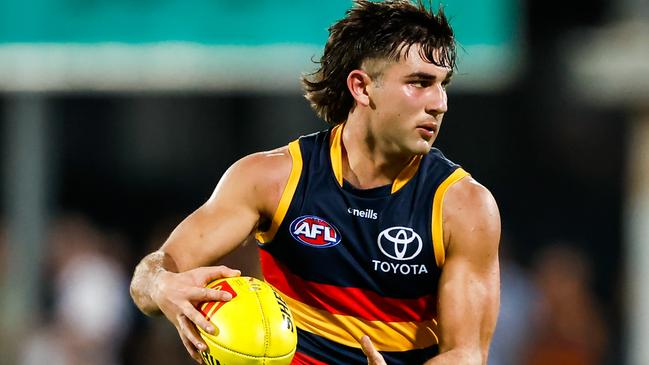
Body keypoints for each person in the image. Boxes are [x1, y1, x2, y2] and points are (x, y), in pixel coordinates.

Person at [129, 1, 501, 364]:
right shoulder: (271, 179)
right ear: (361, 87)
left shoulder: (462, 206)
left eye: (442, 84)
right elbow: (152, 275)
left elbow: (468, 353)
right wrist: (161, 285)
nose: (440, 103)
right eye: (420, 82)